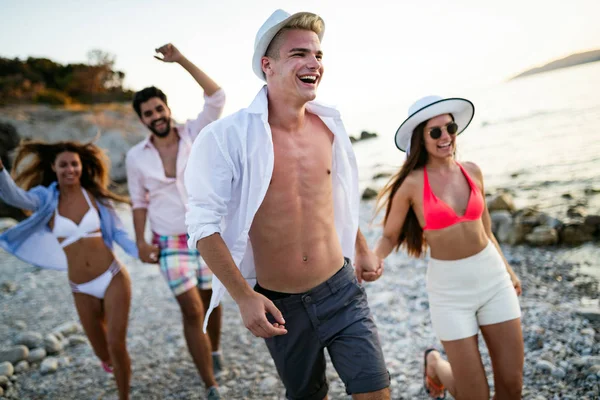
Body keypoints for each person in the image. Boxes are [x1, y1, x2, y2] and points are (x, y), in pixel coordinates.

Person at [185, 9, 390, 400]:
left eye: (318, 55)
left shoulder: (329, 127)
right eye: (299, 54)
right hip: (281, 308)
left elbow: (337, 197)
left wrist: (361, 248)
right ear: (268, 66)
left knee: (376, 393)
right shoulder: (225, 139)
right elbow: (202, 225)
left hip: (341, 290)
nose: (314, 63)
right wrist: (244, 297)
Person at [373, 96, 523, 399]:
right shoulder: (412, 184)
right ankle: (435, 365)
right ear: (420, 138)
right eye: (435, 132)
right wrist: (372, 260)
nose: (446, 137)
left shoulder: (473, 171)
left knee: (512, 386)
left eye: (450, 128)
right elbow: (389, 236)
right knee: (475, 396)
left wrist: (508, 271)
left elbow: (487, 230)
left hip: (493, 281)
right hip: (450, 293)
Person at [0, 140, 139, 400]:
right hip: (80, 287)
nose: (69, 169)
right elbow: (14, 196)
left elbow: (119, 232)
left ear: (81, 166)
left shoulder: (94, 196)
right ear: (53, 167)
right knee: (102, 351)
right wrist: (0, 172)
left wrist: (139, 251)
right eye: (63, 165)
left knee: (116, 344)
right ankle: (109, 361)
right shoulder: (45, 198)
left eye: (74, 164)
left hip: (113, 277)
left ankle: (124, 396)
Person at [125, 43, 225, 398]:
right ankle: (210, 384)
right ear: (142, 120)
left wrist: (180, 59)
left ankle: (213, 350)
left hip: (208, 234)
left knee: (211, 300)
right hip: (169, 241)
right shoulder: (136, 158)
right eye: (148, 113)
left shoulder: (195, 132)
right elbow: (138, 203)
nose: (156, 116)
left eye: (159, 108)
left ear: (167, 108)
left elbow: (216, 95)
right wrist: (140, 240)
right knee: (191, 307)